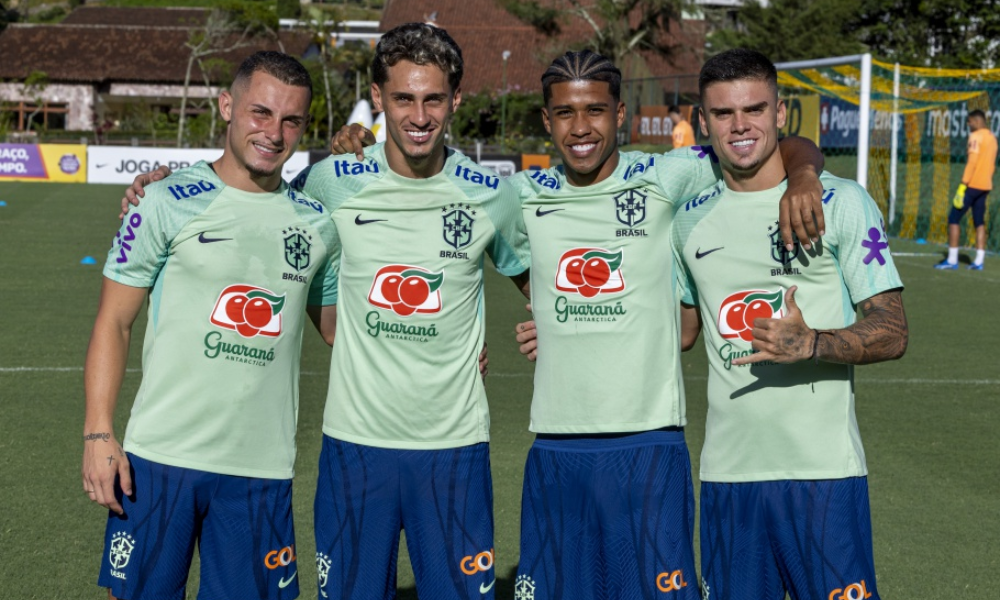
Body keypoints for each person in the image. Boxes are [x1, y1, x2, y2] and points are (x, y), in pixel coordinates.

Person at [333, 50, 825, 598]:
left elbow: (771, 146)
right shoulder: (516, 194)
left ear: (619, 115)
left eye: (595, 110)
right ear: (547, 122)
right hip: (555, 450)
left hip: (649, 446)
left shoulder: (666, 174)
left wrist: (804, 174)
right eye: (565, 113)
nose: (581, 127)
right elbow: (435, 211)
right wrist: (362, 147)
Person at [123, 23, 530, 600]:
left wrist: (548, 329)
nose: (419, 115)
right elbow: (254, 202)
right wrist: (155, 188)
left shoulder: (491, 193)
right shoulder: (330, 183)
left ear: (455, 100)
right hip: (352, 445)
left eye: (433, 98)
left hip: (455, 445)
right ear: (379, 98)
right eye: (403, 98)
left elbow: (542, 281)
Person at [83, 51, 335, 600]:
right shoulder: (161, 200)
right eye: (260, 112)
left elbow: (342, 332)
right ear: (227, 106)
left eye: (291, 120)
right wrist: (99, 431)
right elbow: (114, 321)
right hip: (159, 460)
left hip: (261, 469)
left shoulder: (318, 226)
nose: (274, 132)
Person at [671, 48, 908, 600]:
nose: (741, 126)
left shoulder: (841, 202)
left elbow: (893, 329)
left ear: (780, 114)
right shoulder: (686, 220)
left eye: (755, 109)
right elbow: (680, 331)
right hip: (728, 479)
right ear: (703, 122)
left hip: (824, 475)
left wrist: (814, 342)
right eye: (724, 114)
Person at [936, 108, 997, 270]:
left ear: (977, 121)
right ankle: (979, 261)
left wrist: (963, 185)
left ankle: (952, 259)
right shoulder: (992, 138)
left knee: (953, 218)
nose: (968, 126)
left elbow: (972, 163)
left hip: (972, 185)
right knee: (979, 222)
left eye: (969, 122)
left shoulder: (976, 137)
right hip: (985, 186)